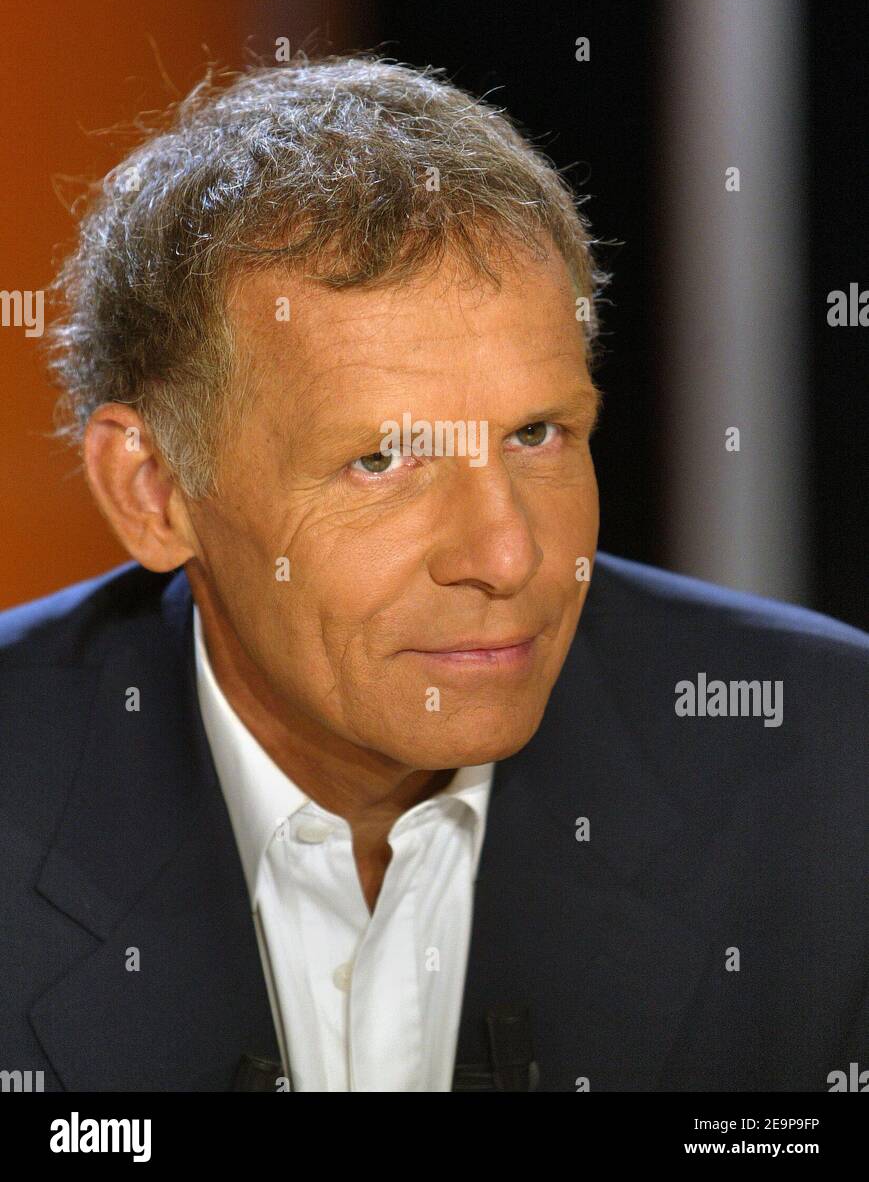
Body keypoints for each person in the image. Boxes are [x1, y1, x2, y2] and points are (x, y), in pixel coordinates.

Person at [1, 56, 865, 1092]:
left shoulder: (825, 770)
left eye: (537, 433)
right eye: (380, 461)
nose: (507, 557)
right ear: (154, 490)